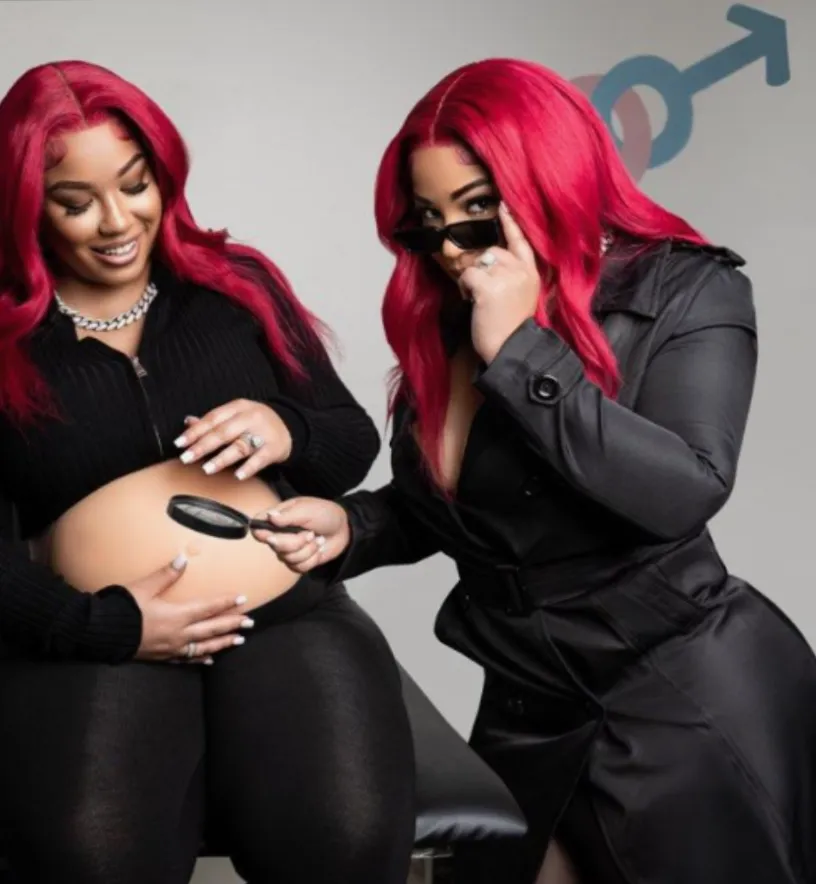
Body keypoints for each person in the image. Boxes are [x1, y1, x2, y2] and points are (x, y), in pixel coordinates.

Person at [252, 58, 816, 884]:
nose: (448, 249)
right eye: (427, 223)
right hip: (529, 707)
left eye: (477, 216)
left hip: (679, 704)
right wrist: (355, 526)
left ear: (552, 177)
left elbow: (684, 489)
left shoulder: (689, 291)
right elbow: (463, 508)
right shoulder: (455, 317)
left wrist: (520, 352)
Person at [0, 60, 414, 884]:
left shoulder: (235, 287)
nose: (116, 222)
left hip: (285, 613)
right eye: (74, 202)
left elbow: (348, 440)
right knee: (93, 855)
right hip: (89, 637)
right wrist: (107, 627)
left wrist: (285, 428)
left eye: (135, 184)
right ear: (24, 207)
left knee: (346, 839)